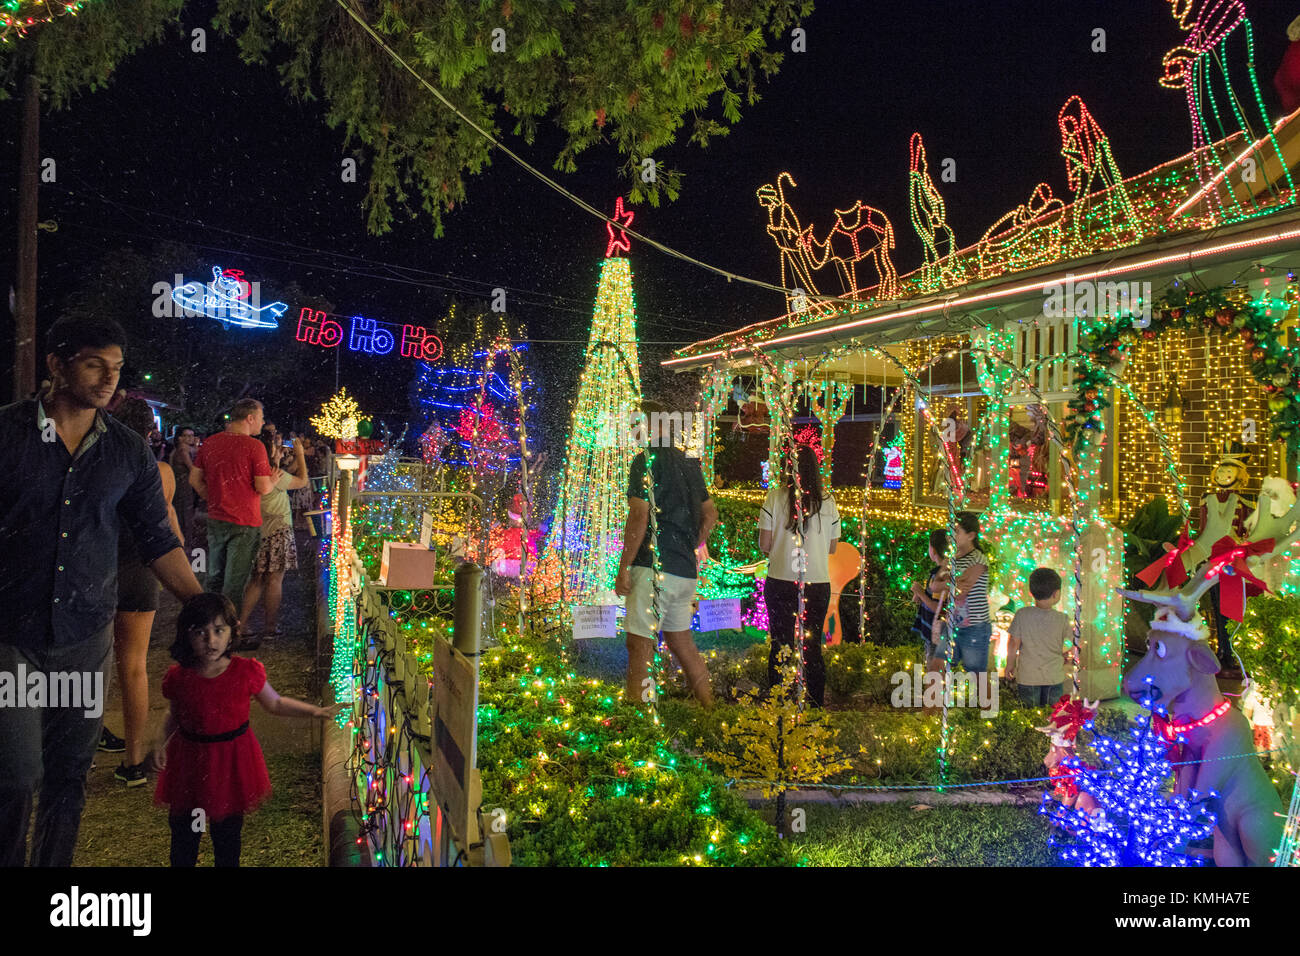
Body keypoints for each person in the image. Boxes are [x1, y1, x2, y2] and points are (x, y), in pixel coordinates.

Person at [0, 315, 204, 867]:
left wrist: (199, 601)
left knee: (70, 774)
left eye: (115, 368)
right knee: (16, 775)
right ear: (56, 365)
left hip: (85, 636)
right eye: (94, 364)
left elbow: (158, 538)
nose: (109, 378)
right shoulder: (8, 434)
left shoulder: (127, 451)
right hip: (10, 634)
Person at [152, 593, 335, 866]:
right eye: (200, 631)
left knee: (227, 835)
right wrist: (160, 743)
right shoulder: (180, 677)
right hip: (190, 764)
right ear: (186, 634)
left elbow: (275, 703)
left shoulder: (244, 671)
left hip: (230, 764)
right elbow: (175, 713)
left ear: (231, 632)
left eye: (218, 630)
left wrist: (315, 712)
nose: (211, 640)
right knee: (185, 834)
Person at [102, 397, 187, 787]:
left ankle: (86, 741)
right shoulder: (162, 470)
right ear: (151, 431)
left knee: (89, 665)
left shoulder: (98, 465)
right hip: (140, 568)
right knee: (133, 666)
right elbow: (164, 518)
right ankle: (134, 759)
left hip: (98, 570)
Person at [613, 400, 717, 707]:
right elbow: (710, 514)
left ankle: (640, 716)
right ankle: (710, 709)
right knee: (681, 641)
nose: (633, 430)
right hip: (684, 571)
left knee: (640, 645)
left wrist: (624, 566)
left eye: (636, 423)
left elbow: (639, 516)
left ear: (654, 425)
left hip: (652, 568)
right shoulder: (689, 462)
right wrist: (688, 544)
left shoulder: (644, 461)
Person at [758, 443, 841, 707]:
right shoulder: (828, 502)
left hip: (781, 580)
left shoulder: (775, 497)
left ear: (788, 468)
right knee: (812, 645)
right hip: (816, 582)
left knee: (781, 643)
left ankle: (778, 700)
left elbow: (764, 544)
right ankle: (814, 703)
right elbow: (832, 546)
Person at [190, 399, 281, 611]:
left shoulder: (210, 443)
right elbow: (263, 487)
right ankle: (230, 629)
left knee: (214, 575)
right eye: (260, 417)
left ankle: (210, 620)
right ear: (250, 418)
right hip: (244, 521)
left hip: (216, 517)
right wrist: (273, 480)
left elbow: (194, 479)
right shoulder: (254, 446)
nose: (262, 422)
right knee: (235, 581)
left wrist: (212, 496)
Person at [240, 432, 308, 645]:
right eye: (276, 445)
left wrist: (288, 459)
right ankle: (270, 626)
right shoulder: (271, 474)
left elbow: (290, 475)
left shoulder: (254, 472)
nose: (280, 448)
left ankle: (240, 624)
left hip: (259, 531)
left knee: (256, 579)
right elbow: (303, 481)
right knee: (274, 580)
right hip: (278, 530)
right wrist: (301, 455)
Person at [1005, 567, 1072, 706]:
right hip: (1054, 677)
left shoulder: (1022, 614)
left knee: (1030, 715)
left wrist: (1010, 665)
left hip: (1028, 677)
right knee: (1052, 716)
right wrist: (1068, 655)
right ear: (1056, 594)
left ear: (1032, 592)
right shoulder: (1062, 619)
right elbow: (1077, 644)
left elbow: (1013, 643)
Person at [947, 511, 992, 675]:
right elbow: (934, 586)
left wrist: (949, 583)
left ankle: (985, 701)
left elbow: (959, 591)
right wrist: (950, 583)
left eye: (956, 531)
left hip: (975, 625)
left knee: (976, 674)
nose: (950, 535)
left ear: (971, 535)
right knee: (938, 667)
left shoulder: (978, 559)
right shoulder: (953, 559)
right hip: (953, 623)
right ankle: (940, 700)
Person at [910, 529, 950, 666]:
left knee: (934, 669)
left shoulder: (941, 575)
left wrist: (920, 592)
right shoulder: (939, 573)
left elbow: (936, 607)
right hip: (934, 632)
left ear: (933, 550)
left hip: (936, 633)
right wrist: (921, 595)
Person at [169, 425, 200, 548]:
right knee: (184, 512)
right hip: (182, 485)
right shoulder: (183, 450)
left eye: (192, 435)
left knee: (183, 511)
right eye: (187, 435)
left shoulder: (185, 448)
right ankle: (185, 542)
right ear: (180, 438)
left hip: (182, 484)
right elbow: (192, 468)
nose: (190, 438)